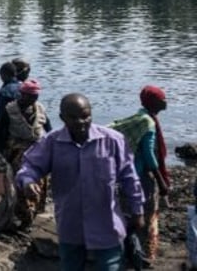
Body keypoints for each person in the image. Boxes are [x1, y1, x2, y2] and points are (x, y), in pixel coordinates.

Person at [16, 93, 144, 271]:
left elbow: (130, 178)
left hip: (106, 224)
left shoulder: (112, 141)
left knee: (110, 267)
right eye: (74, 117)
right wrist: (28, 181)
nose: (81, 122)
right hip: (70, 224)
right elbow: (30, 166)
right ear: (62, 118)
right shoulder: (52, 142)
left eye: (85, 116)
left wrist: (137, 211)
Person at [110, 85, 170, 263]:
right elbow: (149, 155)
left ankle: (129, 252)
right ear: (153, 101)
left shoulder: (139, 117)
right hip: (141, 176)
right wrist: (161, 182)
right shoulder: (148, 122)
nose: (165, 102)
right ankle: (139, 255)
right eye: (162, 99)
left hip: (128, 174)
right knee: (144, 216)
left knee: (130, 213)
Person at [0, 79, 51, 229]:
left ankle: (33, 212)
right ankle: (24, 215)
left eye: (35, 97)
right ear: (21, 94)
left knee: (40, 182)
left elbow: (49, 130)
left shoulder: (39, 109)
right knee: (22, 184)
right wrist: (1, 152)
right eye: (29, 96)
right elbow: (0, 132)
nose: (32, 100)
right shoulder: (9, 111)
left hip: (38, 150)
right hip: (17, 150)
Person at [0, 61, 21, 155]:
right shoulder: (24, 87)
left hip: (9, 133)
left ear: (3, 75)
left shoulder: (4, 91)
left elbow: (2, 116)